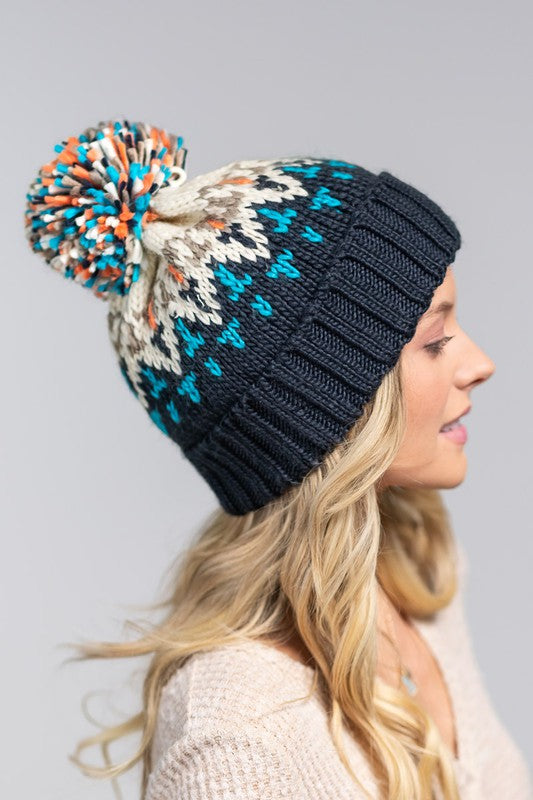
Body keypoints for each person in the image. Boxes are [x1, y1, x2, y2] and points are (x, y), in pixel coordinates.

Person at [24, 119, 532, 800]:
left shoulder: (423, 573)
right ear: (320, 412)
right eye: (435, 341)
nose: (481, 363)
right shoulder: (233, 739)